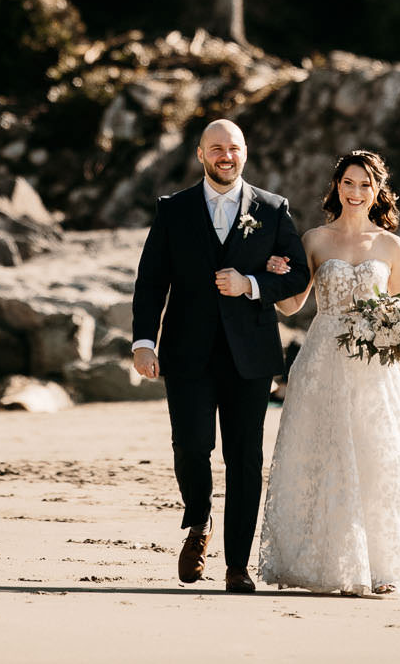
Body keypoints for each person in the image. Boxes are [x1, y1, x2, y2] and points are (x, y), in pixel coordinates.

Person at [128, 119, 311, 594]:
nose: (225, 156)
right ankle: (200, 517)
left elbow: (297, 277)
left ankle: (237, 566)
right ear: (200, 154)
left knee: (245, 458)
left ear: (245, 153)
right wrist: (143, 342)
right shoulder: (174, 210)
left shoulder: (272, 210)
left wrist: (251, 285)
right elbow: (151, 281)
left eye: (233, 148)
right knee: (191, 447)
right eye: (216, 149)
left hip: (249, 354)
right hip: (186, 353)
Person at [254, 149, 400, 596]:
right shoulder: (314, 240)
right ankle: (323, 562)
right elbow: (294, 305)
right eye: (348, 183)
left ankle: (382, 566)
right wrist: (272, 275)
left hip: (375, 368)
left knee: (377, 457)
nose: (356, 192)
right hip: (322, 361)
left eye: (365, 185)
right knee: (322, 454)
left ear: (378, 191)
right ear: (336, 187)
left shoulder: (392, 246)